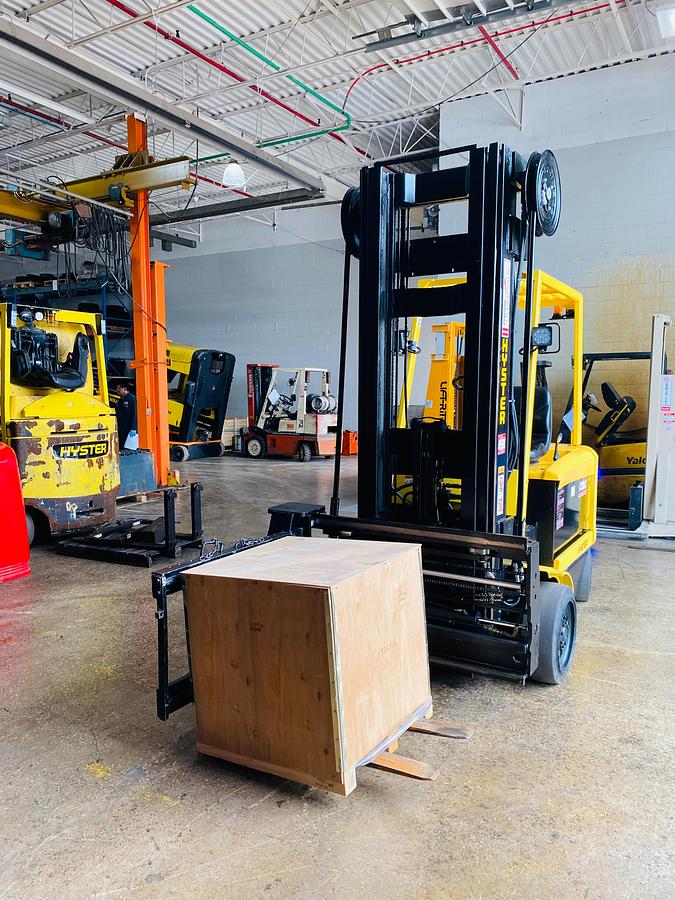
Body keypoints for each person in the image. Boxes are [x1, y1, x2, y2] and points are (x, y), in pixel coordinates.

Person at [116, 384, 138, 451]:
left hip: (129, 429)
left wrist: (133, 428)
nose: (117, 390)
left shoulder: (132, 399)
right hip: (121, 427)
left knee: (128, 448)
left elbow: (134, 414)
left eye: (119, 388)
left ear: (124, 389)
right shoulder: (120, 400)